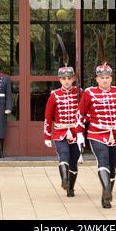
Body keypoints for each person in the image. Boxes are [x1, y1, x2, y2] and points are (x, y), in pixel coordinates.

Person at [76, 63, 116, 209]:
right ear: (97, 79)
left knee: (112, 167)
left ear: (111, 78)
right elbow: (80, 114)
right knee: (103, 160)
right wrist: (79, 134)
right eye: (101, 78)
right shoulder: (89, 92)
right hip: (96, 134)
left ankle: (107, 195)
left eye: (107, 77)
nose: (104, 80)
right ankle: (105, 189)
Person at [44, 65, 81, 197]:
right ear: (59, 80)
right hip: (60, 131)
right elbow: (48, 117)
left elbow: (87, 112)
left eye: (69, 78)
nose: (66, 81)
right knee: (63, 154)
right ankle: (64, 181)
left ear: (73, 79)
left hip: (76, 133)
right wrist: (47, 136)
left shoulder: (79, 93)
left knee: (74, 161)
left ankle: (71, 187)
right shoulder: (54, 95)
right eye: (64, 78)